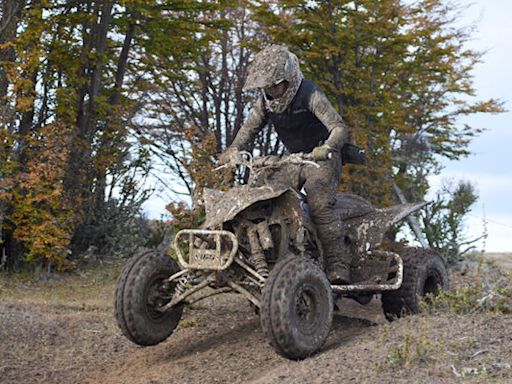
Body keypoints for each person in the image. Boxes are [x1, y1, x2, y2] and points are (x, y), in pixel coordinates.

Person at [220, 45, 351, 284]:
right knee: (261, 194)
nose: (271, 90)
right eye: (266, 86)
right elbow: (249, 128)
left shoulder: (309, 93)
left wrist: (328, 147)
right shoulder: (265, 102)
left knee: (319, 201)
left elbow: (339, 127)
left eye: (275, 84)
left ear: (289, 79)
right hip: (293, 159)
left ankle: (337, 264)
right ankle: (257, 256)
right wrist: (233, 150)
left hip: (321, 156)